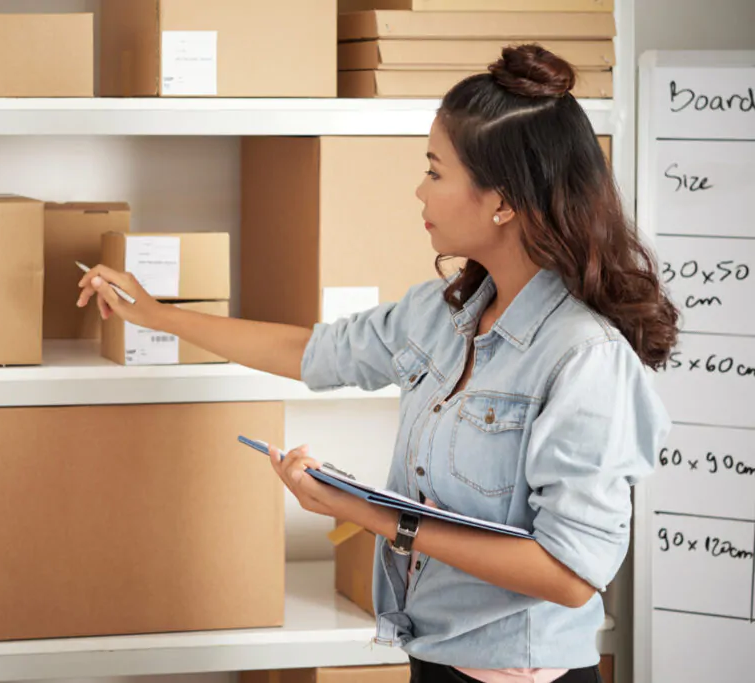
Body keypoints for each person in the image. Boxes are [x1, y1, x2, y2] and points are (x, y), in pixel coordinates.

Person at [77, 44, 677, 683]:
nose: (420, 190)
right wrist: (157, 316)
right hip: (435, 660)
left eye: (435, 171)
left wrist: (370, 513)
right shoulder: (443, 315)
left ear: (501, 201)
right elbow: (313, 352)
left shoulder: (585, 357)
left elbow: (571, 574)